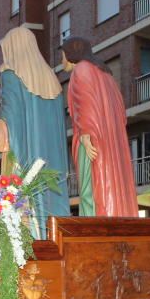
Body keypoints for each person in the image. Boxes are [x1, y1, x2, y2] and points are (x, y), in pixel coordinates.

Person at [0, 27, 70, 238]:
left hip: (24, 158)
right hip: (53, 166)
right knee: (53, 221)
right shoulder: (52, 80)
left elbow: (10, 112)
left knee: (21, 220)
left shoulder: (12, 74)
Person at [60, 36, 138, 217]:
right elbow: (119, 109)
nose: (62, 60)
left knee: (91, 187)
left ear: (72, 53)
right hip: (109, 141)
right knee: (107, 183)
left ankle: (92, 227)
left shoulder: (81, 69)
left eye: (63, 55)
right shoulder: (105, 73)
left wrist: (86, 135)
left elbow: (85, 102)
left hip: (92, 139)